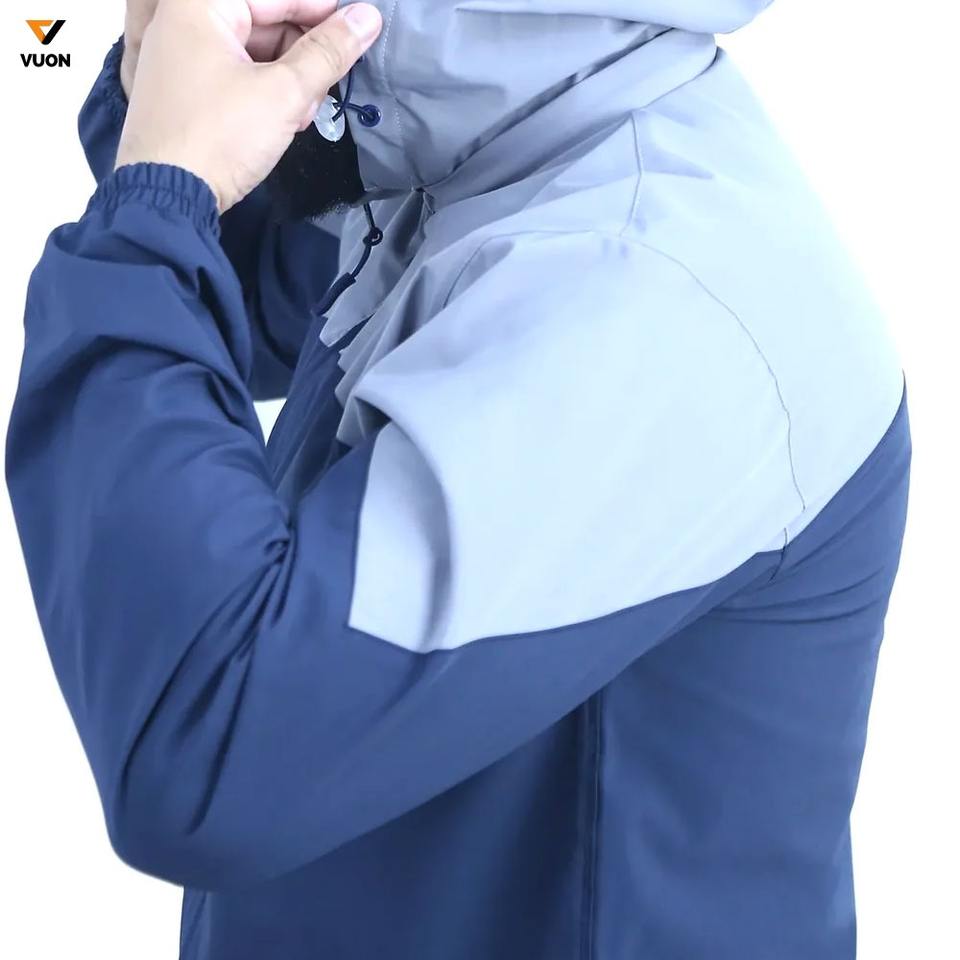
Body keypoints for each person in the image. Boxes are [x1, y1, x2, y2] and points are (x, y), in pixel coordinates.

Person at [6, 0, 911, 956]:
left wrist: (157, 204)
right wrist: (176, 99)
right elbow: (265, 294)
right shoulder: (493, 153)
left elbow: (215, 747)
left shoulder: (652, 287)